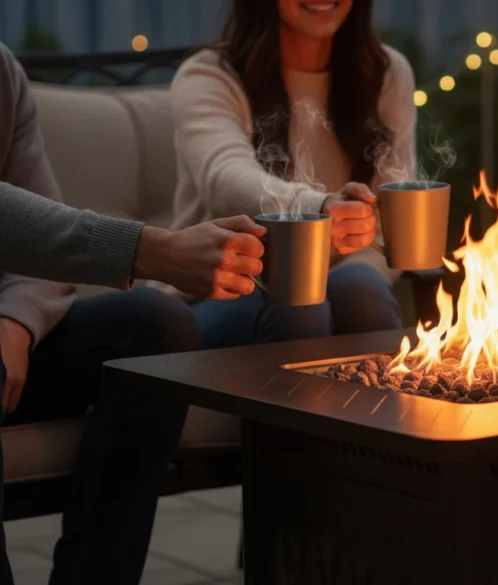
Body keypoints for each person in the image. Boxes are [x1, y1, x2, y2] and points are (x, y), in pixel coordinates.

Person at [0, 43, 266, 584]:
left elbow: (38, 246)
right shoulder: (215, 77)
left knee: (156, 322)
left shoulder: (3, 73)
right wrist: (151, 248)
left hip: (12, 344)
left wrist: (15, 323)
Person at [166, 0, 417, 349]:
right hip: (219, 294)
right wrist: (317, 208)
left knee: (362, 288)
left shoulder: (386, 74)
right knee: (300, 305)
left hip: (341, 284)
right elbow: (225, 178)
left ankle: (385, 403)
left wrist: (348, 273)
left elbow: (391, 219)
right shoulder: (209, 76)